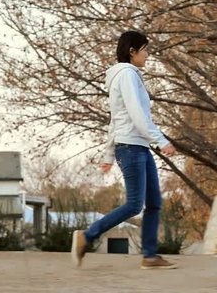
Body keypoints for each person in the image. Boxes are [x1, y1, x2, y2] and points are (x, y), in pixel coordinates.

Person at [71, 31, 178, 269]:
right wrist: (161, 140)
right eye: (145, 49)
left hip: (137, 146)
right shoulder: (128, 75)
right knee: (134, 204)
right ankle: (87, 236)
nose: (147, 54)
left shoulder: (127, 76)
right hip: (132, 147)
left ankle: (150, 256)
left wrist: (108, 154)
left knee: (154, 203)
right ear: (132, 51)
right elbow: (136, 115)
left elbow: (115, 121)